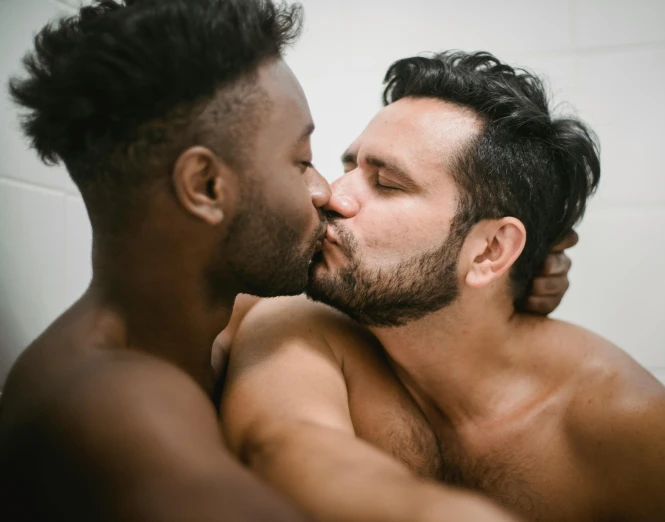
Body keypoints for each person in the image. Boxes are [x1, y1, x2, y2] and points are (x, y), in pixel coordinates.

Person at [0, 2, 523, 521]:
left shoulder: (194, 333)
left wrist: (513, 271)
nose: (325, 192)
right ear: (206, 187)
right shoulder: (116, 406)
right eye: (300, 163)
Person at [221, 51, 665, 522]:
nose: (331, 193)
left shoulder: (623, 425)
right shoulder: (302, 326)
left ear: (489, 251)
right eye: (351, 165)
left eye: (388, 183)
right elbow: (286, 448)